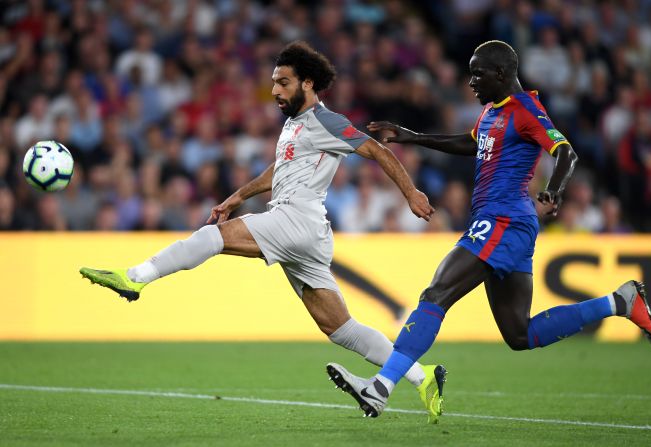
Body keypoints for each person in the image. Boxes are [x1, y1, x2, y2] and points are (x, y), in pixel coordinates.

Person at [79, 41, 446, 423]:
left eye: (283, 83)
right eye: (274, 82)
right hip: (307, 233)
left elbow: (377, 151)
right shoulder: (293, 125)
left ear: (307, 83)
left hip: (297, 220)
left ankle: (135, 277)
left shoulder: (327, 121)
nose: (275, 91)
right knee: (340, 329)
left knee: (211, 237)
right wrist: (237, 196)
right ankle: (423, 379)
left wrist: (411, 192)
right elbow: (278, 171)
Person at [326, 40, 651, 419]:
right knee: (520, 335)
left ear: (501, 74)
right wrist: (410, 136)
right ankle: (619, 302)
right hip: (505, 224)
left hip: (505, 219)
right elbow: (472, 144)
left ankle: (380, 387)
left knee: (437, 292)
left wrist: (555, 189)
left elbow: (566, 151)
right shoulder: (491, 111)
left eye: (477, 73)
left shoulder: (526, 109)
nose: (471, 82)